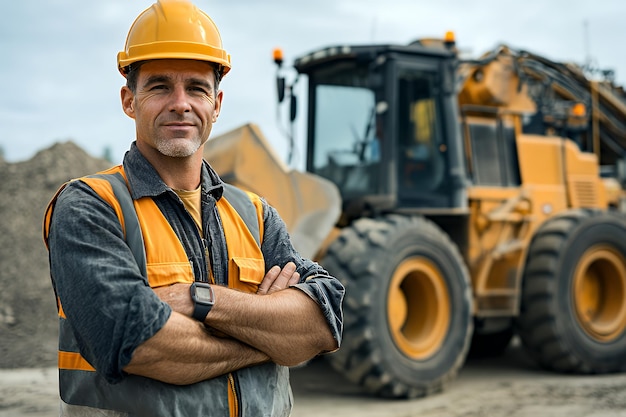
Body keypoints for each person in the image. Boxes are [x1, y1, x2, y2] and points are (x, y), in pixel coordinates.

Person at [42, 0, 344, 416]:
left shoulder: (255, 214)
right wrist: (268, 338)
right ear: (129, 100)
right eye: (161, 86)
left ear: (217, 104)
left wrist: (196, 298)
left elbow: (320, 324)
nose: (180, 103)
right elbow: (138, 344)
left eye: (197, 88)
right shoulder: (91, 206)